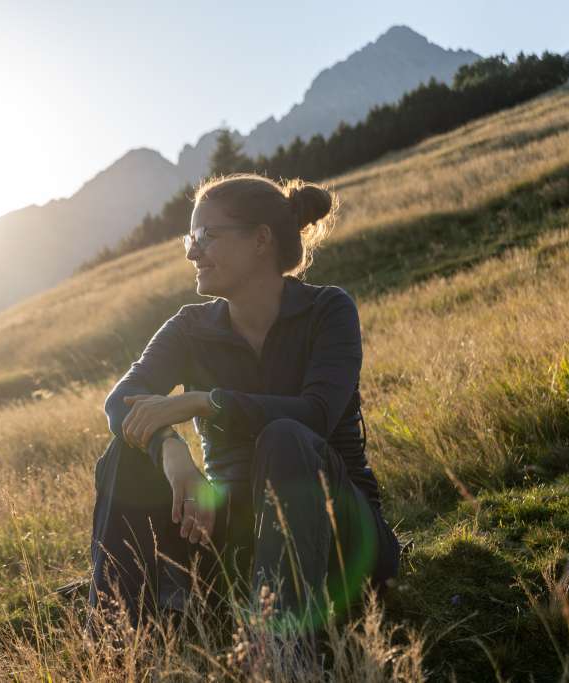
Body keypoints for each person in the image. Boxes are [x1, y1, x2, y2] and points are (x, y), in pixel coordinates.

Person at [87, 172, 401, 640]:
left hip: (339, 531)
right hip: (237, 537)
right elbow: (121, 402)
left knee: (286, 436)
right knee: (125, 453)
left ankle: (281, 652)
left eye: (207, 236)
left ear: (261, 240)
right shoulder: (189, 328)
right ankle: (120, 643)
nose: (192, 251)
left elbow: (315, 414)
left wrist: (208, 402)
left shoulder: (328, 311)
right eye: (190, 237)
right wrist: (172, 452)